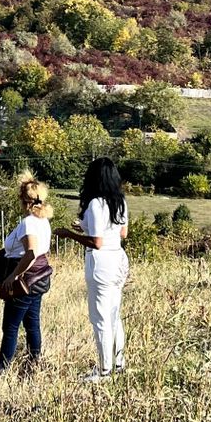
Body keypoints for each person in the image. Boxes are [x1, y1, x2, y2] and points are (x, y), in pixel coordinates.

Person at [55, 157, 129, 381]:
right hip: (118, 258)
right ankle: (118, 363)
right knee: (114, 314)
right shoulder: (120, 200)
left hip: (101, 263)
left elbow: (96, 242)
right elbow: (121, 233)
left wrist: (71, 234)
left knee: (100, 318)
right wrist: (85, 226)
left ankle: (105, 370)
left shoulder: (96, 203)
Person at [0, 177, 53, 374]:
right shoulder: (43, 220)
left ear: (26, 201)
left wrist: (13, 276)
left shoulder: (28, 223)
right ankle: (34, 363)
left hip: (24, 281)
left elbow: (31, 253)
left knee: (10, 328)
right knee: (32, 324)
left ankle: (1, 371)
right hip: (39, 279)